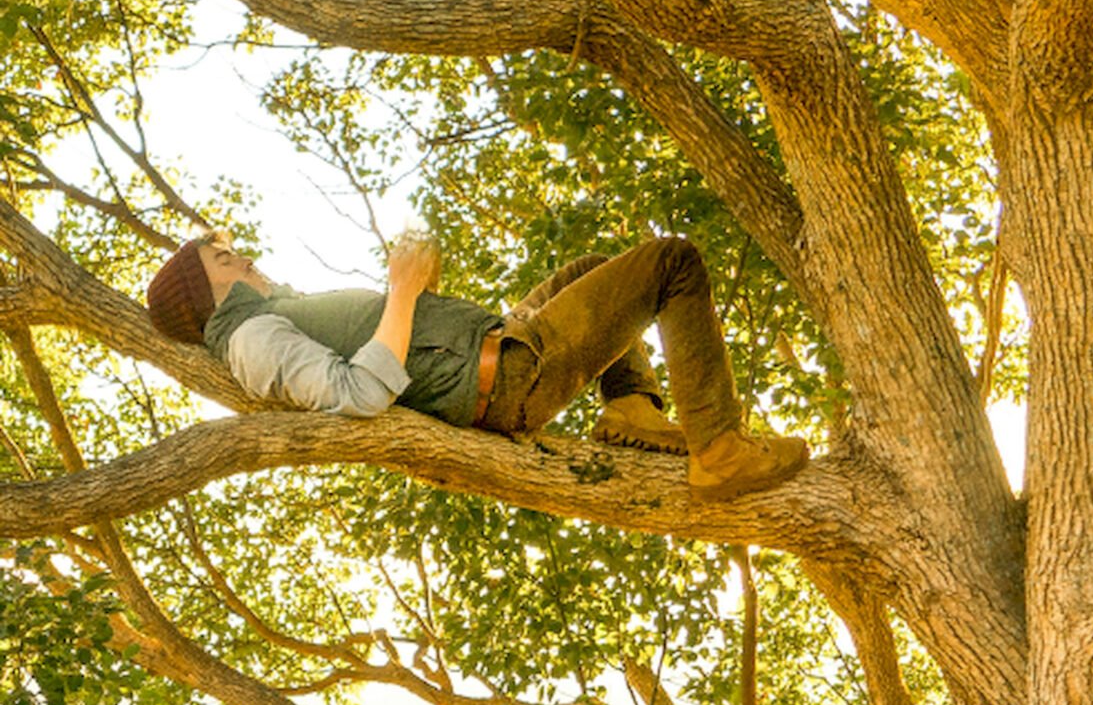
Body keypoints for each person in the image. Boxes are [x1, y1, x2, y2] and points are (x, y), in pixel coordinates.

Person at [145, 228, 810, 504]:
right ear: (208, 293)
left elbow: (391, 348)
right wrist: (402, 292)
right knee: (672, 262)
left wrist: (418, 289)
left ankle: (632, 406)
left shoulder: (269, 316)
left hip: (502, 350)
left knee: (589, 272)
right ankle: (718, 448)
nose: (245, 258)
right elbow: (357, 393)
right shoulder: (252, 339)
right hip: (509, 380)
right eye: (225, 260)